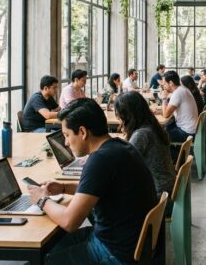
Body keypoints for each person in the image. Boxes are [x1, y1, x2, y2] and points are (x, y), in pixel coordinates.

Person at [27, 98, 157, 264]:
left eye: (67, 135)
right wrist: (64, 187)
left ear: (82, 132)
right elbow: (102, 188)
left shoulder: (100, 160)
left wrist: (41, 199)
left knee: (46, 260)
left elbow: (69, 222)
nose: (66, 143)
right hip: (130, 243)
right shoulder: (120, 146)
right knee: (50, 246)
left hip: (115, 253)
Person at [114, 92, 175, 202]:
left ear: (127, 115)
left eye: (119, 114)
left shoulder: (142, 134)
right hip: (165, 187)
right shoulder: (151, 126)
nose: (118, 117)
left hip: (157, 193)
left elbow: (122, 164)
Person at [161, 70, 199, 144]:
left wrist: (164, 99)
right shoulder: (183, 89)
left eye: (164, 84)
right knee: (166, 127)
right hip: (192, 129)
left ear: (171, 83)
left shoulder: (177, 93)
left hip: (186, 132)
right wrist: (159, 111)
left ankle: (171, 154)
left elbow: (165, 115)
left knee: (157, 134)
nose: (163, 86)